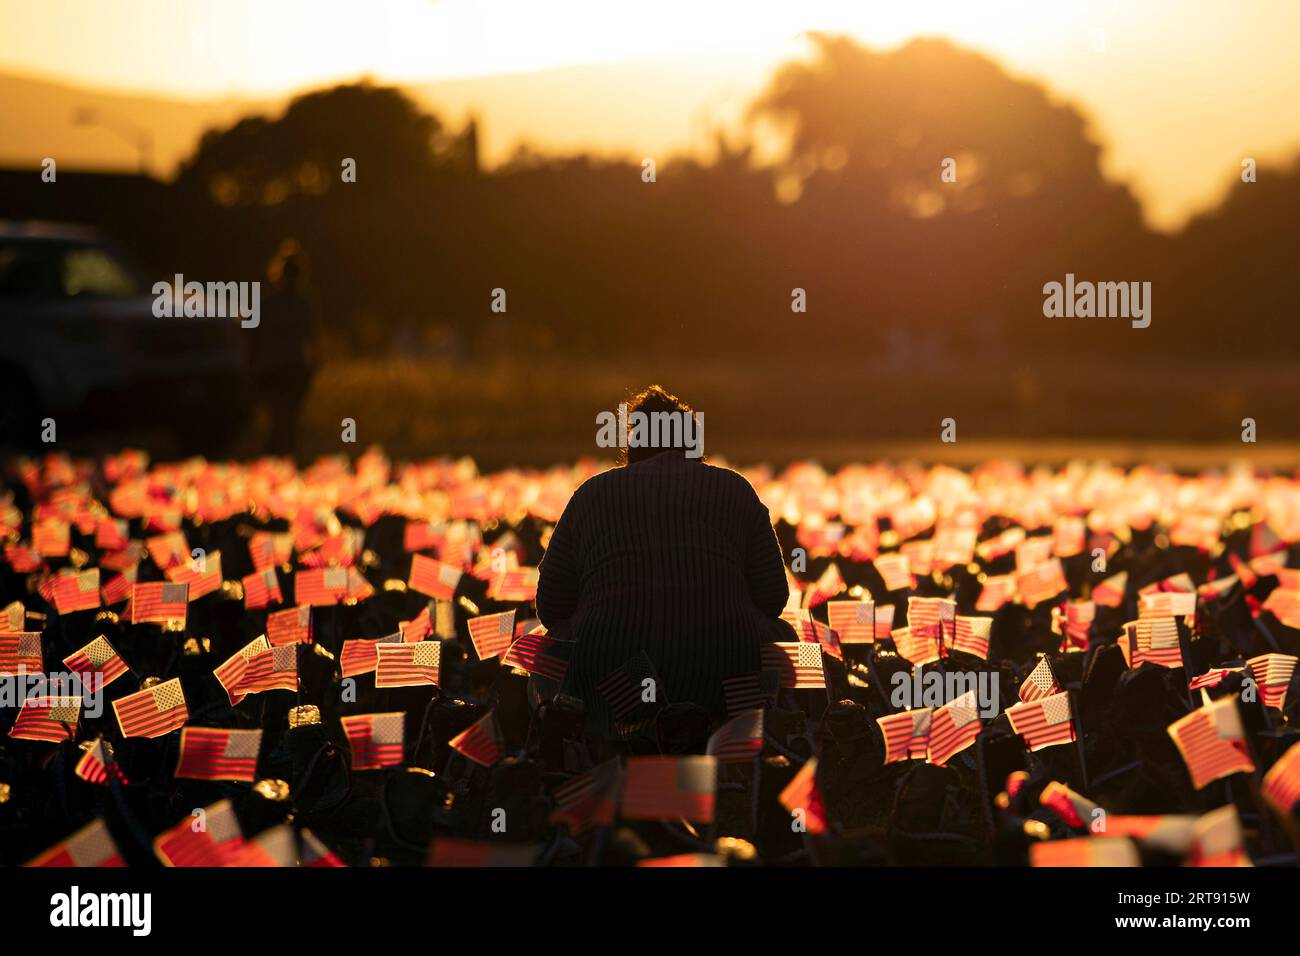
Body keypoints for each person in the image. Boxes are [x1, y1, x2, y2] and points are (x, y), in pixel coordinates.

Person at [535, 385, 793, 733]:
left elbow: (552, 606)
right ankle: (781, 745)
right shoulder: (734, 489)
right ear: (693, 441)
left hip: (611, 674)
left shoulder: (591, 494)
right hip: (724, 672)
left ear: (633, 445)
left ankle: (570, 746)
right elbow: (773, 597)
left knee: (548, 642)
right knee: (785, 632)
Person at [254, 239, 320, 456]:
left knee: (283, 420)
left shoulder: (272, 303)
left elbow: (255, 338)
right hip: (286, 369)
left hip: (281, 369)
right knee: (285, 420)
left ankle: (278, 457)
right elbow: (311, 340)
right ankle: (280, 457)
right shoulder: (297, 303)